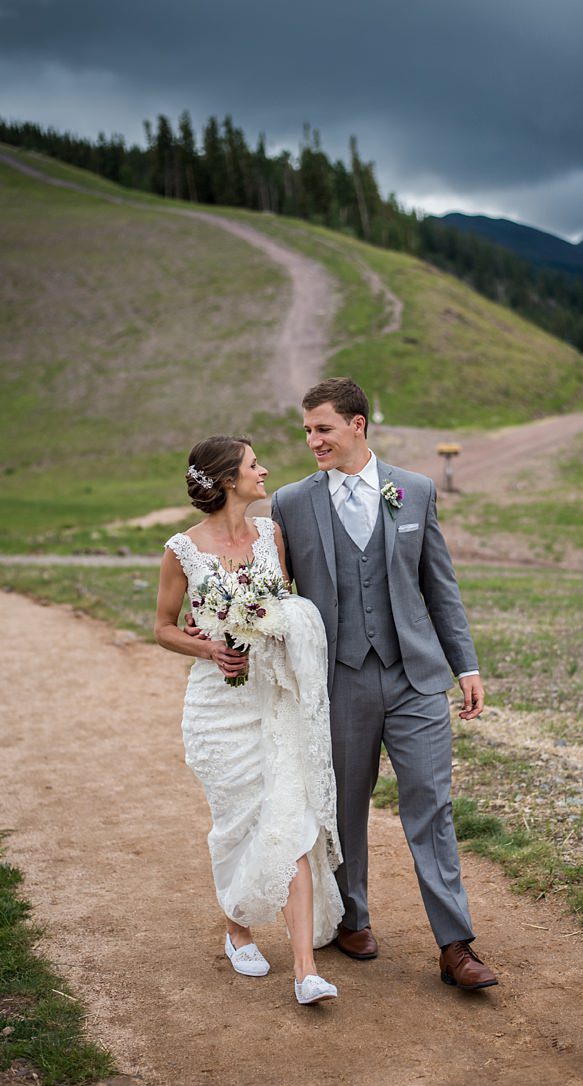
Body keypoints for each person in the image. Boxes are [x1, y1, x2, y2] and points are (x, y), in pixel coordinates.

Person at [266, 377, 499, 990]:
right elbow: (274, 592)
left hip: (415, 677)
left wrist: (465, 666)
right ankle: (351, 918)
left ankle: (455, 945)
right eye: (308, 430)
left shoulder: (414, 491)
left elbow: (439, 586)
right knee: (343, 805)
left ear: (358, 425)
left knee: (432, 806)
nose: (312, 440)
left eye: (323, 428)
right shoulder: (291, 503)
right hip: (337, 681)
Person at [153, 436, 343, 1006]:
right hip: (218, 708)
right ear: (228, 480)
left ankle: (306, 970)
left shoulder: (268, 536)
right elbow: (163, 626)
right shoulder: (181, 550)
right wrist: (210, 648)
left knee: (291, 819)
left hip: (274, 699)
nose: (264, 470)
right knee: (237, 823)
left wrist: (282, 625)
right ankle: (238, 925)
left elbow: (285, 605)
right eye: (253, 464)